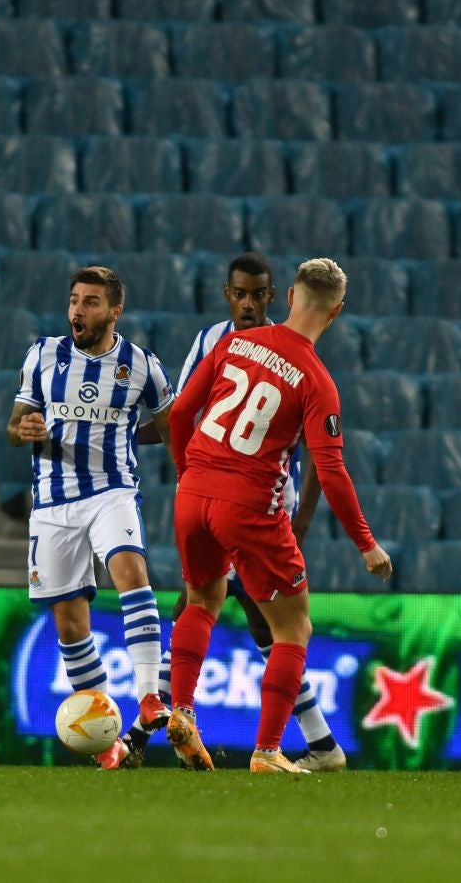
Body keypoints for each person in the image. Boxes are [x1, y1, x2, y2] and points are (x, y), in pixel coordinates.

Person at [120, 253, 345, 772]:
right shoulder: (213, 342)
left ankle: (150, 730)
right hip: (219, 502)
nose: (247, 303)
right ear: (228, 293)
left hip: (259, 510)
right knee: (258, 626)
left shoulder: (283, 348)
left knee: (238, 620)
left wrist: (301, 521)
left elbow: (318, 454)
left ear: (276, 297)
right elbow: (179, 414)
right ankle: (315, 746)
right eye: (239, 293)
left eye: (257, 294)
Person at [164, 258, 392, 773]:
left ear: (288, 296)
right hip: (250, 506)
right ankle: (267, 751)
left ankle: (181, 709)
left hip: (193, 493)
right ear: (335, 314)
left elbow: (180, 414)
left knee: (202, 598)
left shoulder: (230, 343)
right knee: (293, 630)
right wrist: (365, 543)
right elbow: (329, 471)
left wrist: (187, 472)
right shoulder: (316, 379)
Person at [6, 265, 177, 770]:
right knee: (70, 622)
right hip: (53, 504)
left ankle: (149, 697)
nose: (78, 310)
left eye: (91, 302)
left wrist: (126, 434)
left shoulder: (142, 365)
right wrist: (27, 428)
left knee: (131, 572)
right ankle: (108, 742)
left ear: (114, 312)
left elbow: (170, 428)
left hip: (111, 492)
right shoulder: (42, 355)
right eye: (75, 300)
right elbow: (14, 427)